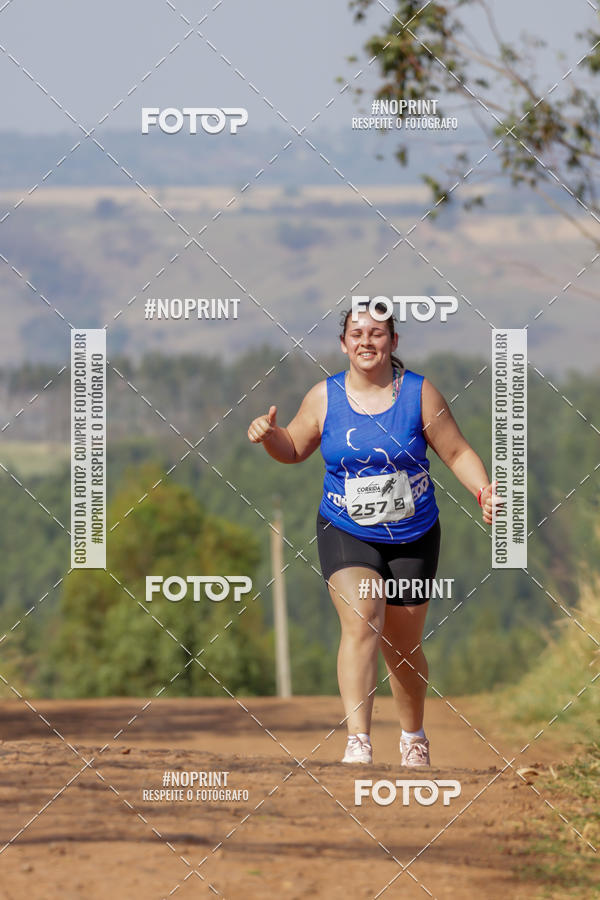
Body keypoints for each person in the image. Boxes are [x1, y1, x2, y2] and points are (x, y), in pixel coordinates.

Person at [247, 304, 499, 766]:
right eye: (357, 333)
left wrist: (483, 490)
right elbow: (294, 447)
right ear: (343, 344)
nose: (367, 341)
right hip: (345, 527)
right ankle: (358, 740)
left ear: (393, 342)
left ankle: (413, 737)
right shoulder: (324, 397)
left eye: (377, 334)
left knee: (402, 646)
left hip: (414, 532)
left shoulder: (421, 395)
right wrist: (269, 435)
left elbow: (457, 451)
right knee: (362, 618)